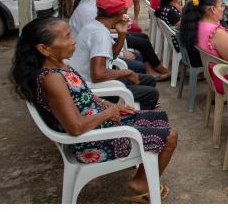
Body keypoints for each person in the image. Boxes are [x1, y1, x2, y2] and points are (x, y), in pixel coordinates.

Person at [10, 17, 178, 201]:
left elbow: (84, 96)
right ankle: (141, 183)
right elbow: (75, 127)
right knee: (170, 136)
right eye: (66, 37)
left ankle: (142, 177)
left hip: (99, 125)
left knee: (159, 118)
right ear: (44, 49)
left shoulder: (59, 67)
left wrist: (111, 106)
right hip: (91, 143)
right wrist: (108, 113)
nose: (73, 40)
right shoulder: (52, 79)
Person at [69, 0, 160, 110]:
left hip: (92, 81)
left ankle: (139, 109)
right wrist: (126, 72)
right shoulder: (99, 34)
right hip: (95, 89)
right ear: (121, 12)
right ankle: (131, 119)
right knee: (152, 94)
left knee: (149, 80)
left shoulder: (96, 25)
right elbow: (98, 75)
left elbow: (111, 56)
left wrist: (121, 34)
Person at [180, 0, 228, 94]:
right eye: (222, 5)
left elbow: (223, 44)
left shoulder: (200, 25)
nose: (223, 8)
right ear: (212, 9)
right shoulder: (216, 33)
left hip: (215, 75)